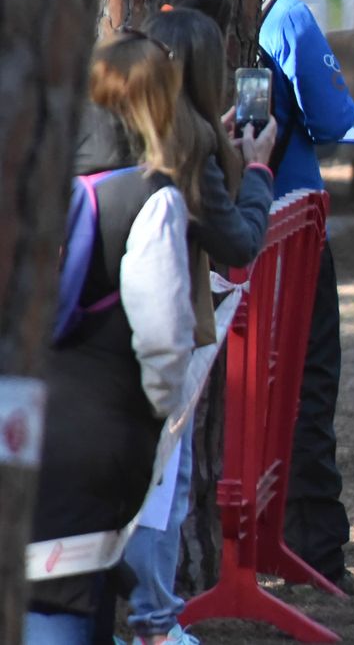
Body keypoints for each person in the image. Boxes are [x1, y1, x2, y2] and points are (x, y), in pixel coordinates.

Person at [27, 32, 201, 643]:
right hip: (98, 433)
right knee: (66, 604)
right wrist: (159, 409)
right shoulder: (149, 198)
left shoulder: (34, 185)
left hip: (22, 414)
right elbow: (163, 337)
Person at [123, 3, 277, 645]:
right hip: (167, 333)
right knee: (162, 480)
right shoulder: (191, 153)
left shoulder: (117, 132)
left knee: (126, 475)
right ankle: (155, 624)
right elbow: (238, 241)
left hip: (94, 327)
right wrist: (259, 170)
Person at [258, 0, 354, 588]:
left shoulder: (164, 1)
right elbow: (333, 119)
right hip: (289, 230)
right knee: (304, 387)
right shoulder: (284, 15)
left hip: (192, 229)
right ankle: (312, 551)